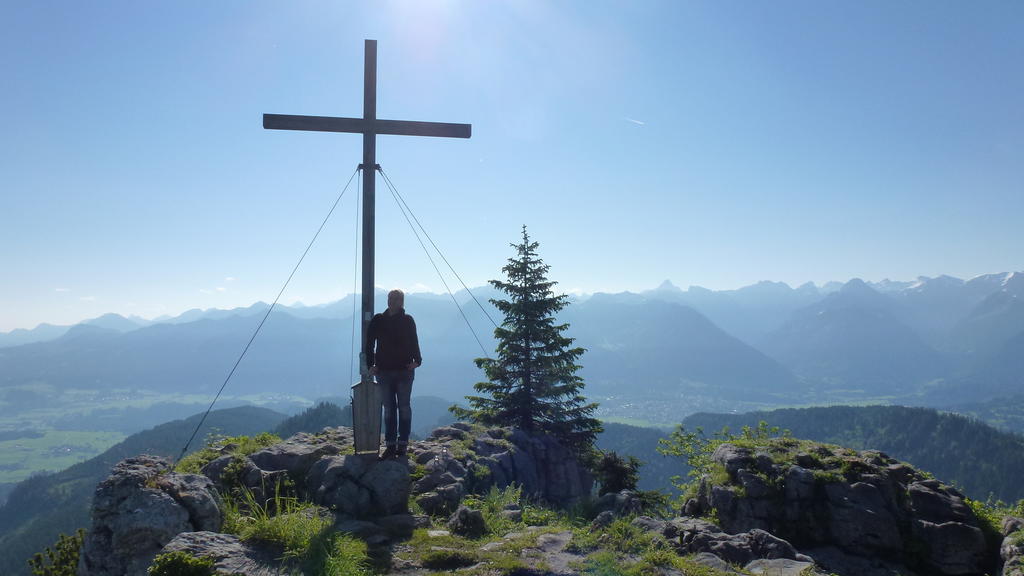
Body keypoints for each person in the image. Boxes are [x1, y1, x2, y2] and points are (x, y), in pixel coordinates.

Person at [366, 289, 422, 459]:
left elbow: (414, 341)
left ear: (402, 301)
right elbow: (369, 343)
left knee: (404, 408)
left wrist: (417, 361)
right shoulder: (378, 320)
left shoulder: (408, 320)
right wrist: (371, 364)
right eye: (390, 298)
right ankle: (391, 445)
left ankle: (402, 444)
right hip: (383, 372)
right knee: (389, 409)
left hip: (404, 371)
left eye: (396, 298)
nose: (392, 301)